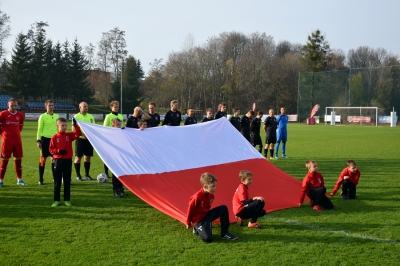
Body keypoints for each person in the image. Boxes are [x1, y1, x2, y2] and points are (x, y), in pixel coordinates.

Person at [186, 172, 238, 242]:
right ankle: (196, 230)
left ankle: (225, 233)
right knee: (208, 239)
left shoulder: (211, 195)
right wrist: (188, 222)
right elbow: (190, 210)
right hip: (199, 220)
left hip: (206, 216)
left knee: (223, 208)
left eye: (215, 186)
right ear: (205, 187)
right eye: (212, 186)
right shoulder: (197, 197)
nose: (215, 188)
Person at [49, 117, 82, 207]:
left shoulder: (69, 135)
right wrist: (58, 151)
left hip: (67, 160)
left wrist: (75, 125)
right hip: (58, 161)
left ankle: (67, 199)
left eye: (65, 125)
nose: (64, 127)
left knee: (67, 181)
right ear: (57, 126)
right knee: (57, 181)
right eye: (62, 125)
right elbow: (51, 149)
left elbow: (78, 134)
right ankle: (56, 200)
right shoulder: (55, 137)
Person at [0, 98, 26, 187]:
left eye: (15, 105)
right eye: (12, 105)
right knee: (5, 160)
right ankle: (1, 181)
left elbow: (21, 127)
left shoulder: (20, 115)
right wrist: (4, 135)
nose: (14, 107)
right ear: (8, 105)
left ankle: (19, 180)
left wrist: (16, 134)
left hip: (17, 140)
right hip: (7, 141)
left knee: (18, 159)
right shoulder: (3, 114)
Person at [36, 100, 59, 185]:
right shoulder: (42, 116)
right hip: (45, 140)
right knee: (43, 159)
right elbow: (39, 129)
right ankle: (41, 179)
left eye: (52, 105)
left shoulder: (57, 116)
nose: (51, 107)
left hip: (54, 140)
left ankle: (55, 178)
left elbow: (58, 129)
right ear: (45, 107)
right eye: (49, 105)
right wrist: (38, 140)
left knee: (54, 160)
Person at [74, 101, 95, 181]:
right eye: (84, 106)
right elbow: (74, 129)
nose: (86, 107)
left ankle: (87, 175)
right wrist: (82, 135)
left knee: (87, 157)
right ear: (80, 107)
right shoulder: (76, 116)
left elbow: (93, 127)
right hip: (80, 140)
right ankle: (78, 175)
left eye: (87, 106)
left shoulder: (91, 116)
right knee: (78, 157)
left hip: (89, 140)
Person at [103, 100, 124, 177]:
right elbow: (104, 128)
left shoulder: (120, 116)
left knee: (117, 156)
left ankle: (116, 172)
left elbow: (122, 127)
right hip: (110, 139)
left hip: (118, 140)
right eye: (115, 107)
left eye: (118, 107)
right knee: (107, 157)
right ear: (111, 107)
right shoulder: (108, 116)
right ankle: (106, 173)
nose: (117, 108)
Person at [110, 118, 125, 198]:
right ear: (113, 125)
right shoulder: (110, 134)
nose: (119, 126)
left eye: (120, 124)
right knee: (115, 174)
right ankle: (116, 190)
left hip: (121, 156)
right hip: (114, 157)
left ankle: (120, 189)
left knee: (122, 173)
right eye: (118, 125)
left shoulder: (121, 133)